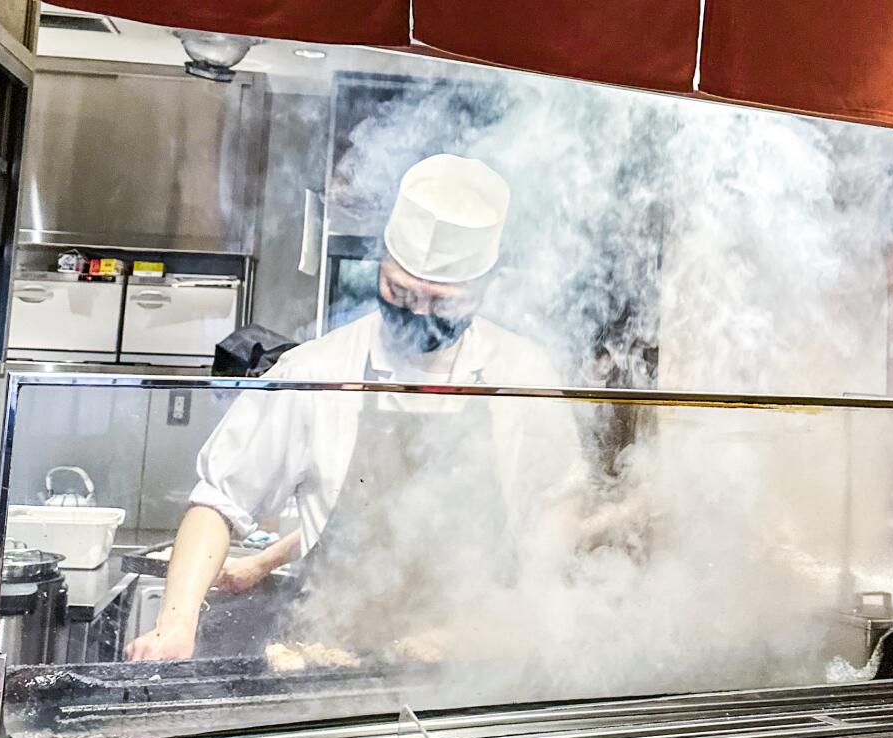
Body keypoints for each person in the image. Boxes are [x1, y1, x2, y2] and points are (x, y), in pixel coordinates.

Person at [126, 154, 584, 662]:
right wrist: (175, 624)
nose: (417, 315)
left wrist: (523, 609)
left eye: (442, 303)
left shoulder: (522, 371)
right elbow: (218, 501)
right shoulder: (317, 370)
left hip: (476, 665)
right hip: (332, 656)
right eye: (400, 292)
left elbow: (557, 499)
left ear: (484, 288)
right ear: (381, 261)